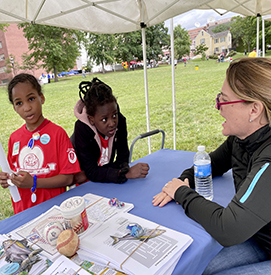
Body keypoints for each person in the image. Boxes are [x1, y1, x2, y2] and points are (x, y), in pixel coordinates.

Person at [153, 57, 271, 274]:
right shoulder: (241, 139)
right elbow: (212, 163)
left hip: (252, 235)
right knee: (203, 268)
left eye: (223, 101)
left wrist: (182, 193)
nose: (218, 108)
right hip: (260, 237)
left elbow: (229, 228)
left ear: (254, 110)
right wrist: (184, 180)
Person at [0, 73, 81, 214]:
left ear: (41, 98)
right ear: (14, 107)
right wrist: (7, 180)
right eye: (19, 103)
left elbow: (68, 178)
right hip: (24, 213)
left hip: (55, 211)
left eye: (31, 99)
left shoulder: (58, 134)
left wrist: (34, 182)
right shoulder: (14, 138)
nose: (26, 108)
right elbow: (14, 173)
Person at [70, 77, 149, 184]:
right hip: (83, 184)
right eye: (104, 119)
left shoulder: (120, 121)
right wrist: (124, 173)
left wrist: (112, 171)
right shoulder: (82, 129)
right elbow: (90, 172)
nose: (112, 123)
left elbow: (122, 159)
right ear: (91, 119)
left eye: (114, 115)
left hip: (101, 179)